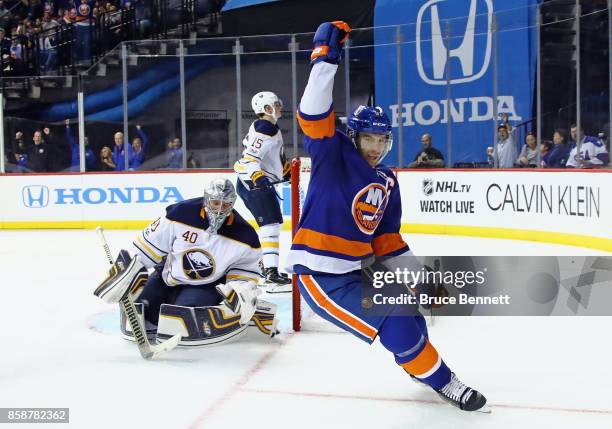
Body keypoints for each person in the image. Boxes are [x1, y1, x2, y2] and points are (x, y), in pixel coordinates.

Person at [286, 21, 487, 412]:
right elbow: (311, 111)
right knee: (395, 318)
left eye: (383, 140)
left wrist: (422, 280)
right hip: (320, 274)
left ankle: (421, 368)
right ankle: (445, 382)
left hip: (355, 271)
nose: (377, 147)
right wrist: (325, 57)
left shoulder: (387, 180)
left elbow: (387, 241)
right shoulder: (333, 153)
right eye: (370, 139)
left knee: (410, 307)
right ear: (354, 136)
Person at [96, 179, 277, 345]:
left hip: (205, 285)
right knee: (142, 307)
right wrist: (124, 273)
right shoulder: (179, 213)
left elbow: (245, 272)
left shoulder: (245, 235)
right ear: (207, 199)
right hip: (166, 278)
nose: (220, 209)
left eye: (226, 205)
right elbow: (145, 249)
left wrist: (240, 290)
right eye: (215, 203)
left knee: (183, 315)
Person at [233, 91, 291, 289]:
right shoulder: (264, 128)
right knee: (270, 227)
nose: (279, 107)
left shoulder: (268, 126)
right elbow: (250, 159)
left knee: (272, 226)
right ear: (267, 109)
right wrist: (258, 177)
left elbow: (268, 153)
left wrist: (283, 169)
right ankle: (270, 272)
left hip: (254, 182)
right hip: (253, 183)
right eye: (276, 104)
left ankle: (269, 269)